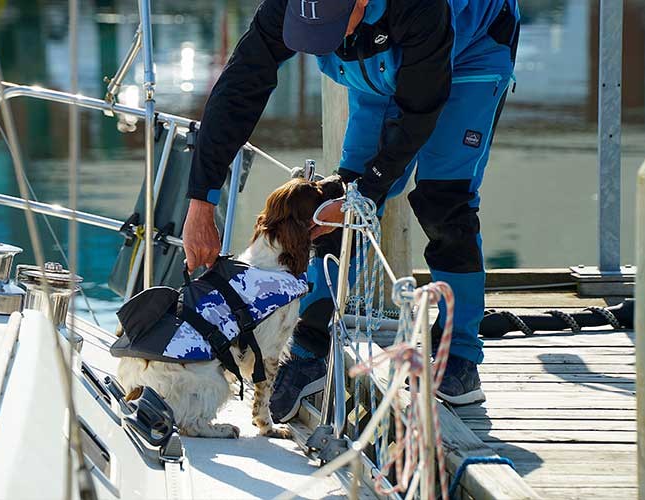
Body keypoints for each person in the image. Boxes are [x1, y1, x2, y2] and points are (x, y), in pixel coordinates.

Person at [182, 0, 521, 421]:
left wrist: (371, 189)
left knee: (442, 202)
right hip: (379, 64)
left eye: (329, 28)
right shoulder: (286, 6)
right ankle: (310, 339)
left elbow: (420, 110)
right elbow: (238, 89)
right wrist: (201, 201)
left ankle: (461, 356)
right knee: (337, 201)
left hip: (471, 50)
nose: (325, 42)